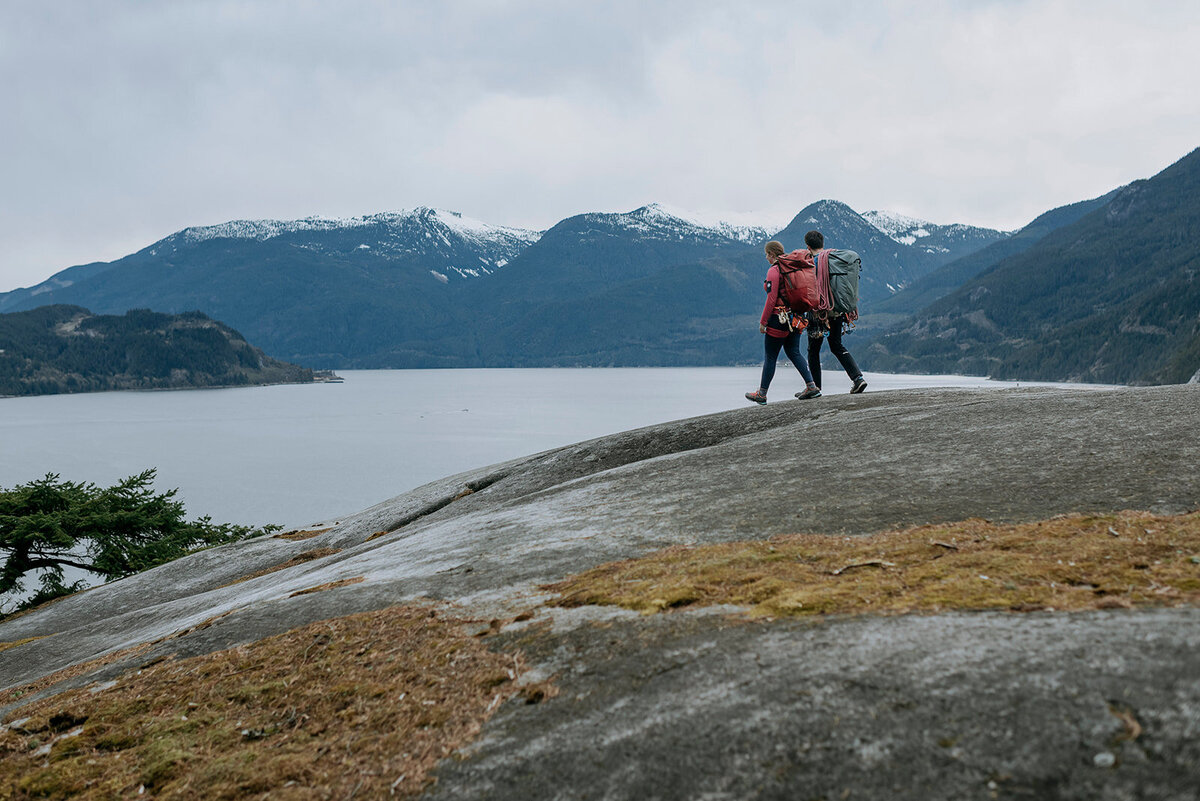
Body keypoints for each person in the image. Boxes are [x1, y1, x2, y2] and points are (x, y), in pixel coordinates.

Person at [745, 240, 821, 404]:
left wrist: (763, 322)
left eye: (766, 254)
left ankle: (762, 394)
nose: (766, 257)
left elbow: (771, 299)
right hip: (796, 317)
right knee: (794, 352)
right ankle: (812, 386)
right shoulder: (792, 267)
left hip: (778, 318)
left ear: (771, 254)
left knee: (771, 356)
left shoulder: (774, 270)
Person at [803, 230, 868, 394]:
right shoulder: (833, 259)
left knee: (813, 351)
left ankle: (815, 388)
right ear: (822, 244)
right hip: (838, 310)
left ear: (808, 246)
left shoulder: (813, 262)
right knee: (836, 345)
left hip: (819, 312)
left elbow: (810, 289)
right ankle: (858, 378)